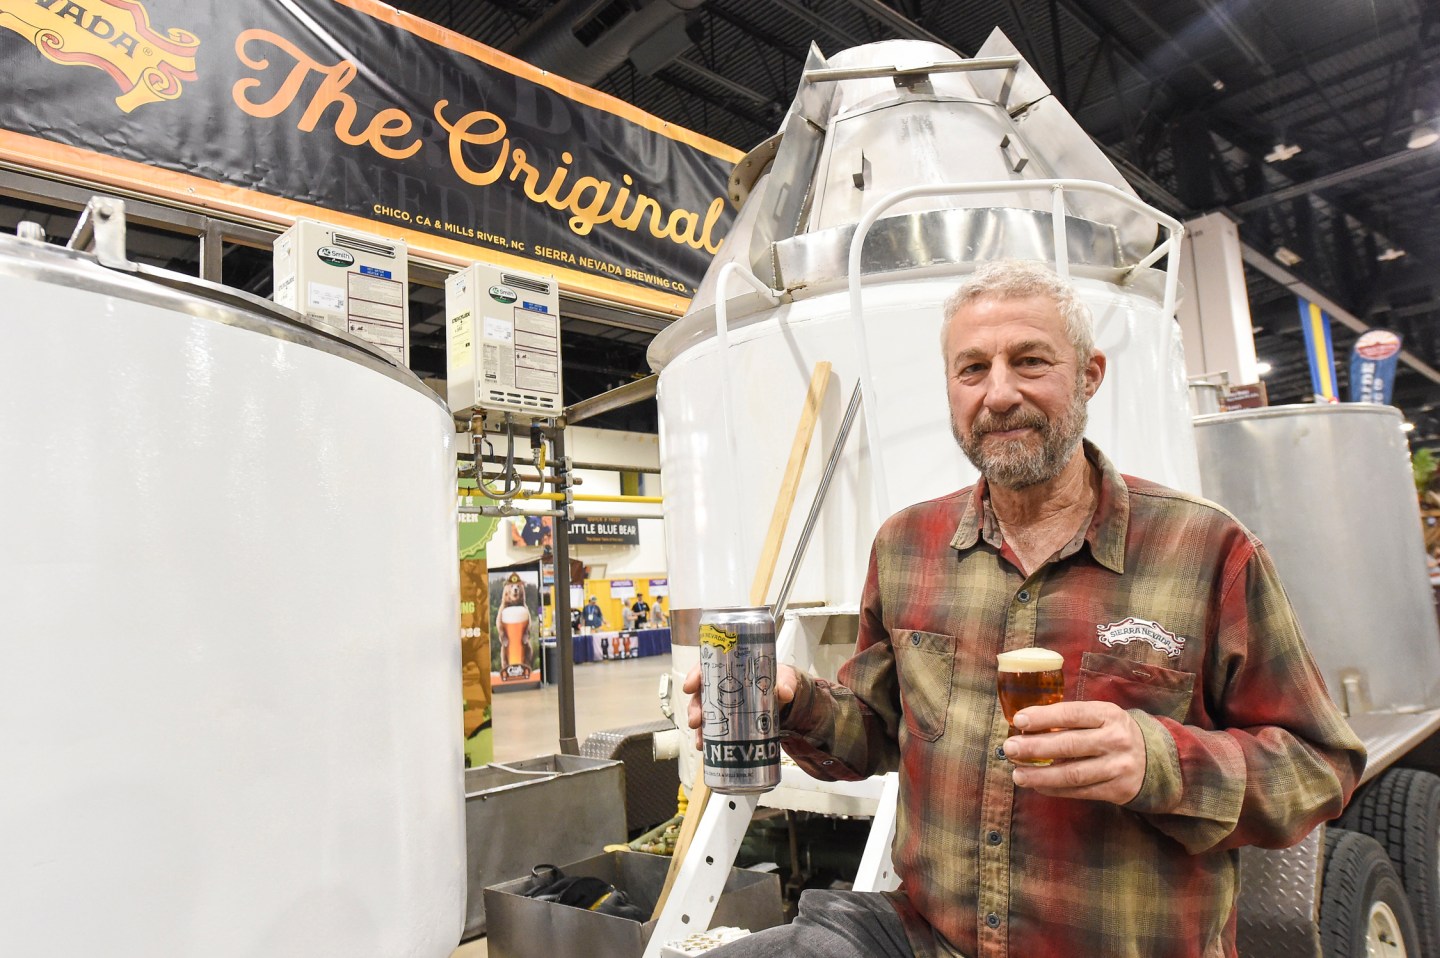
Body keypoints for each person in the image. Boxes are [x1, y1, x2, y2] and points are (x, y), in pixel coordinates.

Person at [685, 260, 1365, 958]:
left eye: (1030, 361)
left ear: (1090, 374)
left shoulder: (1206, 548)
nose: (999, 394)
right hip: (930, 937)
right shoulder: (906, 546)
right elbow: (875, 732)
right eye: (972, 369)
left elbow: (1322, 767)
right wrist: (792, 701)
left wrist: (1158, 759)